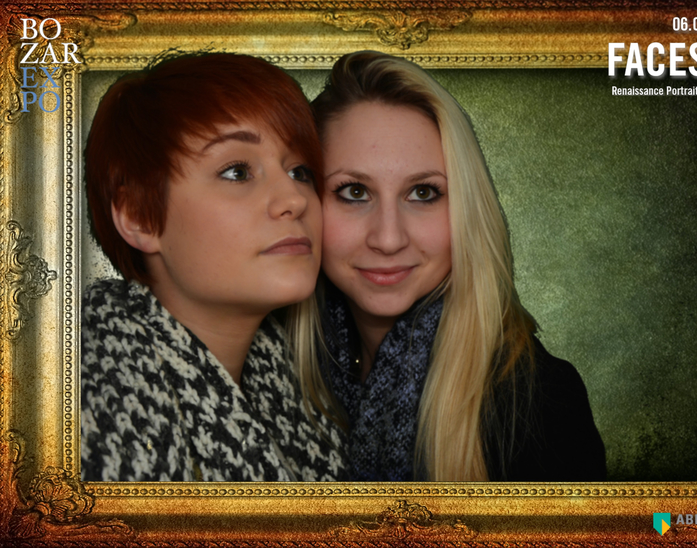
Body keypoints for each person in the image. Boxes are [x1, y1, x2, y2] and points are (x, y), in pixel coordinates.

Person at [305, 51, 606, 481]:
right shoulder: (274, 375)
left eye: (423, 193)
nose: (388, 238)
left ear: (467, 209)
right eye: (354, 192)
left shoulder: (539, 403)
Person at [81, 52, 344, 482]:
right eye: (237, 172)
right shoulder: (83, 407)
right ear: (138, 216)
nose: (295, 199)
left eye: (300, 172)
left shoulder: (304, 391)